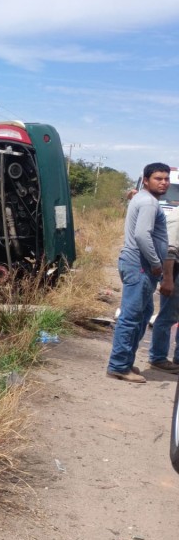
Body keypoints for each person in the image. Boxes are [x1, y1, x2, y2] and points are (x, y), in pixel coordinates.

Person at [107, 163, 171, 382]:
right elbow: (143, 235)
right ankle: (118, 366)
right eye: (158, 178)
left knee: (143, 315)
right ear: (145, 180)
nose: (163, 182)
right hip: (140, 265)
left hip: (138, 265)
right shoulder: (148, 203)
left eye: (166, 178)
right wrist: (155, 263)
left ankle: (125, 361)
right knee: (131, 317)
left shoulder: (143, 199)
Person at [149, 206, 179, 371]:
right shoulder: (177, 215)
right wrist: (167, 278)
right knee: (168, 317)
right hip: (175, 271)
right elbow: (169, 249)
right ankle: (158, 358)